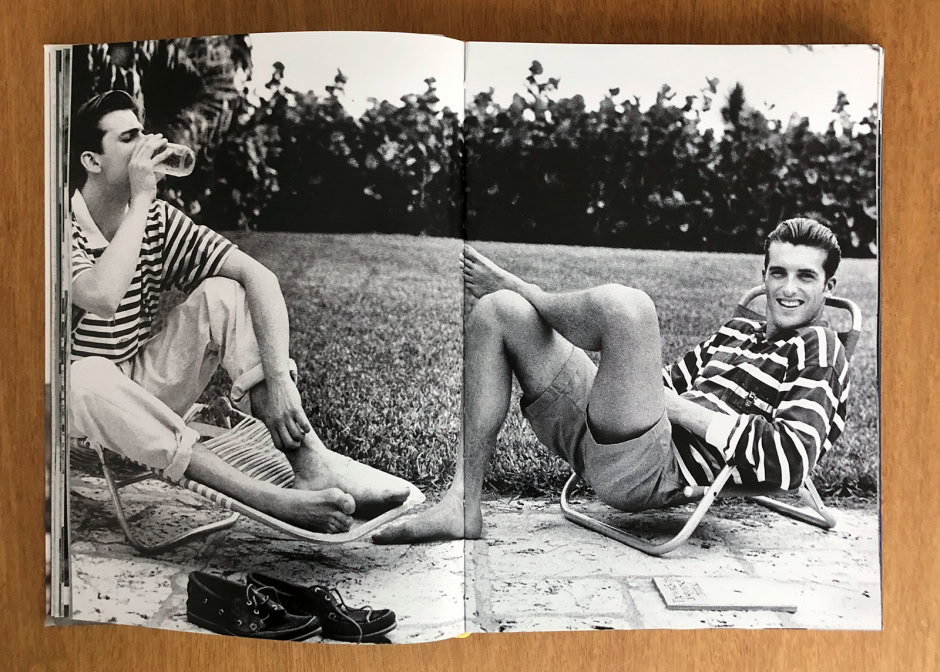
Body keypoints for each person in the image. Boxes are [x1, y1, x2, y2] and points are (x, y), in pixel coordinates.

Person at [373, 218, 850, 544]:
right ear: (764, 276)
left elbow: (790, 459)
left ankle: (529, 291)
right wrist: (629, 383)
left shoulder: (821, 349)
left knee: (628, 308)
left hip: (655, 469)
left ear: (828, 288)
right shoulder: (738, 330)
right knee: (497, 311)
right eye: (779, 273)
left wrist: (674, 408)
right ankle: (462, 505)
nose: (789, 289)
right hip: (616, 435)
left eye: (806, 277)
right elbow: (662, 382)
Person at [68, 90, 411, 534]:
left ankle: (310, 464)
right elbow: (102, 296)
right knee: (84, 376)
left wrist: (280, 380)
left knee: (224, 293)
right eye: (129, 138)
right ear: (92, 161)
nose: (146, 146)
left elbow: (258, 277)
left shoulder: (156, 220)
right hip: (71, 407)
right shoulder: (58, 225)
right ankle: (267, 499)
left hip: (136, 383)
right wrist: (142, 200)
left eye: (143, 133)